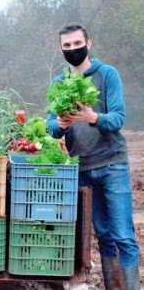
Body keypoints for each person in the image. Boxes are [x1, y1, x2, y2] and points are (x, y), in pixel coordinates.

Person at [47, 23, 140, 290]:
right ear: (61, 49)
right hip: (83, 169)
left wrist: (93, 117)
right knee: (104, 235)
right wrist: (61, 125)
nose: (73, 49)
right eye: (67, 46)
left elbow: (119, 118)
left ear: (89, 44)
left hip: (112, 165)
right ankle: (114, 286)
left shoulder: (107, 75)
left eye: (77, 44)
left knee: (124, 235)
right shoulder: (59, 83)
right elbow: (51, 127)